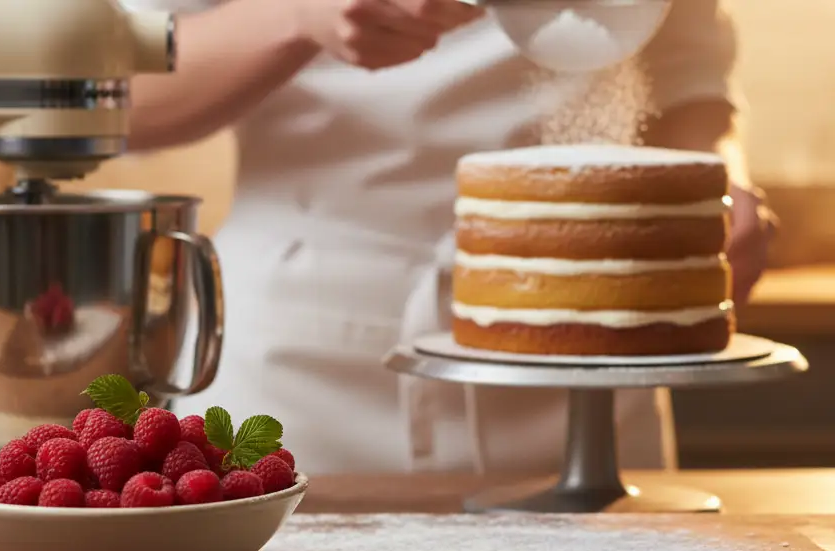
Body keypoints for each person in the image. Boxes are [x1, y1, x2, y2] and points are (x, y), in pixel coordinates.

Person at [121, 0, 775, 475]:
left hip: (588, 359)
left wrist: (716, 184)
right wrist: (296, 15)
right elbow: (121, 90)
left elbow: (691, 77)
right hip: (302, 369)